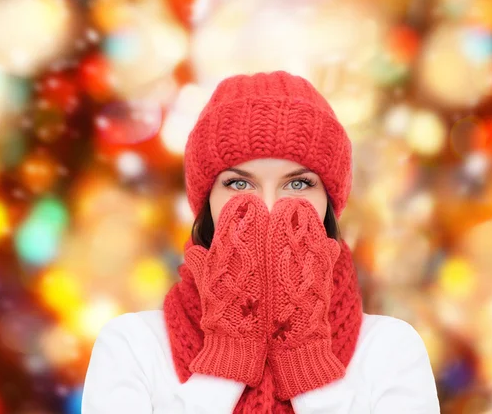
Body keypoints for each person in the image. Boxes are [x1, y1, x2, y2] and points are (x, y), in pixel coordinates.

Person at [81, 71, 441, 413]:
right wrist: (226, 357)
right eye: (239, 184)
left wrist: (307, 361)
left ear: (329, 204)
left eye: (298, 184)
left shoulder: (391, 350)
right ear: (206, 202)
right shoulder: (133, 346)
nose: (268, 208)